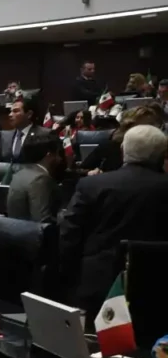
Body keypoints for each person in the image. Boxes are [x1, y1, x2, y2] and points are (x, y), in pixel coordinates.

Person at [60, 125, 168, 319]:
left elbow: (69, 235)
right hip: (157, 287)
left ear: (123, 150)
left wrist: (68, 279)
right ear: (162, 155)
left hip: (95, 285)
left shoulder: (91, 184)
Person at [80, 104, 164, 175]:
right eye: (142, 126)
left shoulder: (161, 149)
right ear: (128, 127)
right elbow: (80, 170)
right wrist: (90, 172)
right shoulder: (109, 147)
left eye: (152, 125)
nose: (149, 130)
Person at [7, 132, 64, 224]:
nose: (60, 159)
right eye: (57, 154)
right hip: (32, 236)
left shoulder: (19, 174)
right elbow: (41, 220)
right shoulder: (40, 179)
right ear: (49, 156)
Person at [0, 96, 47, 162]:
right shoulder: (3, 136)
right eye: (11, 111)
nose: (10, 114)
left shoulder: (44, 135)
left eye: (15, 111)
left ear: (29, 114)